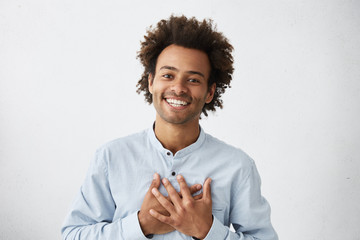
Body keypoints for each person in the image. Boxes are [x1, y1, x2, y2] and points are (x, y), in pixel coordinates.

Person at [61, 15, 278, 240]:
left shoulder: (238, 166)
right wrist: (140, 224)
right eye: (168, 75)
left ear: (210, 92)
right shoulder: (110, 158)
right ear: (151, 82)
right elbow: (73, 235)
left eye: (193, 80)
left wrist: (208, 231)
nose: (178, 88)